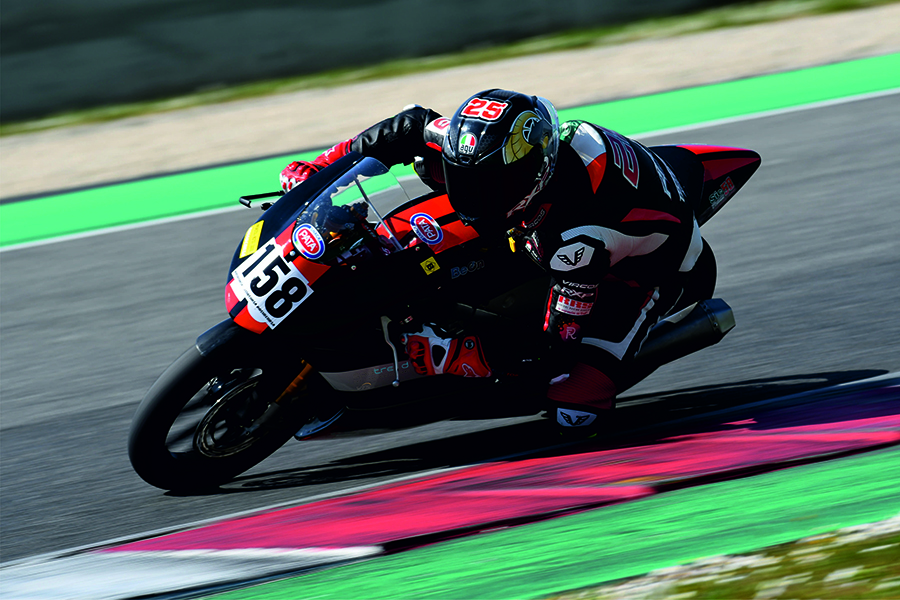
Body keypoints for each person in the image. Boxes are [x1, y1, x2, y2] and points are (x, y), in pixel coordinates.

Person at [281, 89, 714, 434]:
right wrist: (321, 170)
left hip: (653, 267)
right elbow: (410, 125)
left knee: (573, 404)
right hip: (576, 210)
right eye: (466, 178)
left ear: (535, 176)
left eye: (488, 185)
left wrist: (457, 354)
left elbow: (556, 343)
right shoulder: (500, 150)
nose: (470, 194)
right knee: (426, 191)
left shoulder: (575, 243)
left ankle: (622, 355)